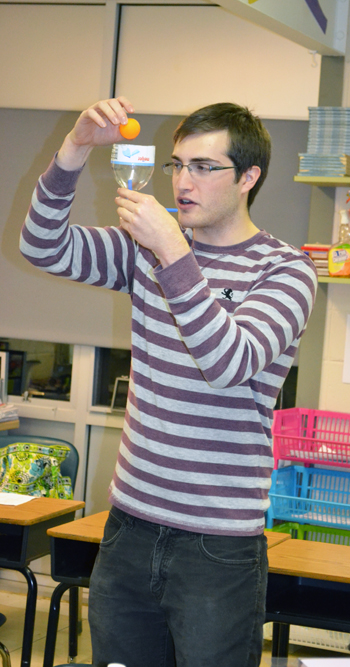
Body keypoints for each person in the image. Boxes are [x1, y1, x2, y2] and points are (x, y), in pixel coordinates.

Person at [20, 97, 317, 667]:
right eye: (177, 164)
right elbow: (41, 245)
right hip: (129, 526)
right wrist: (77, 146)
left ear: (249, 177)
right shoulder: (145, 251)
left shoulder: (284, 271)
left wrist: (174, 251)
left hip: (219, 545)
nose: (184, 181)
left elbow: (229, 362)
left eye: (204, 167)